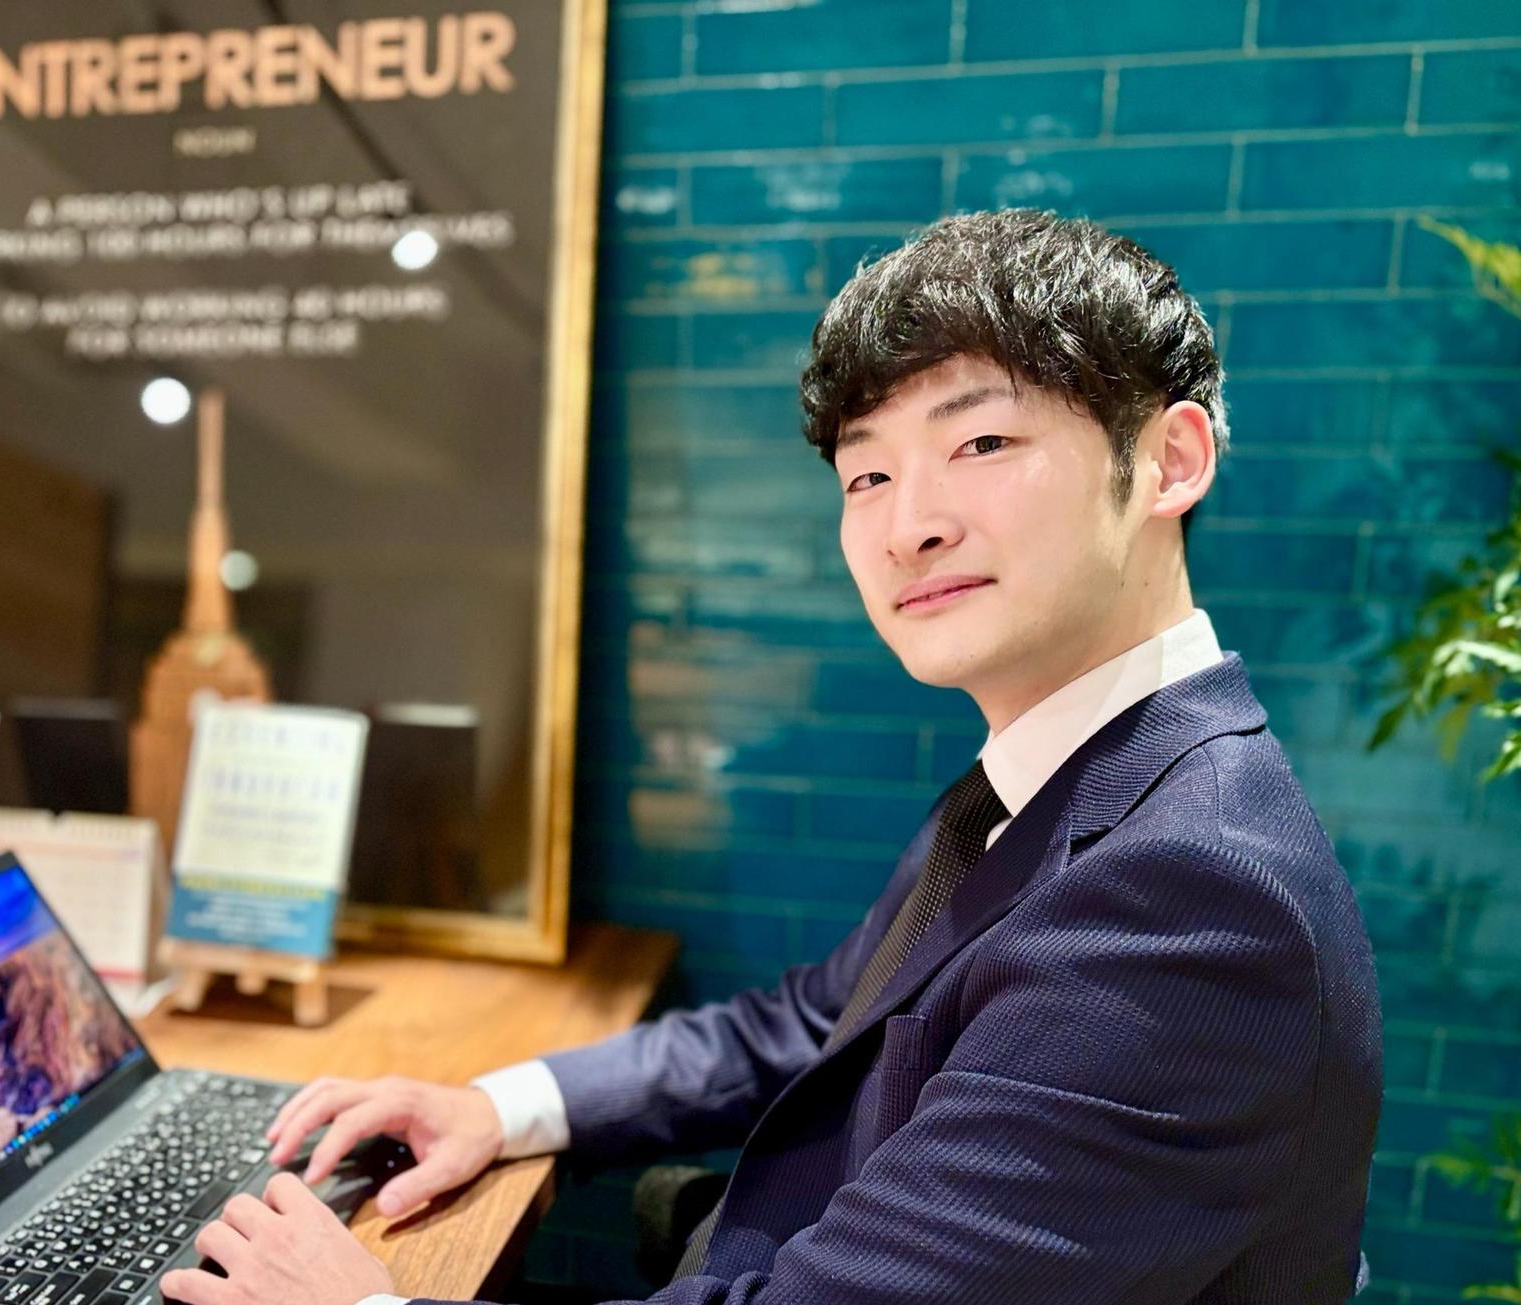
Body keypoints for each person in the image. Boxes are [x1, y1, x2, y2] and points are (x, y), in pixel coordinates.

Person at [158, 208, 1384, 1305]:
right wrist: (500, 1105)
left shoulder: (1190, 898)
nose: (909, 526)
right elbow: (811, 1023)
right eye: (868, 473)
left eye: (981, 444)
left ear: (1169, 460)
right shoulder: (1057, 773)